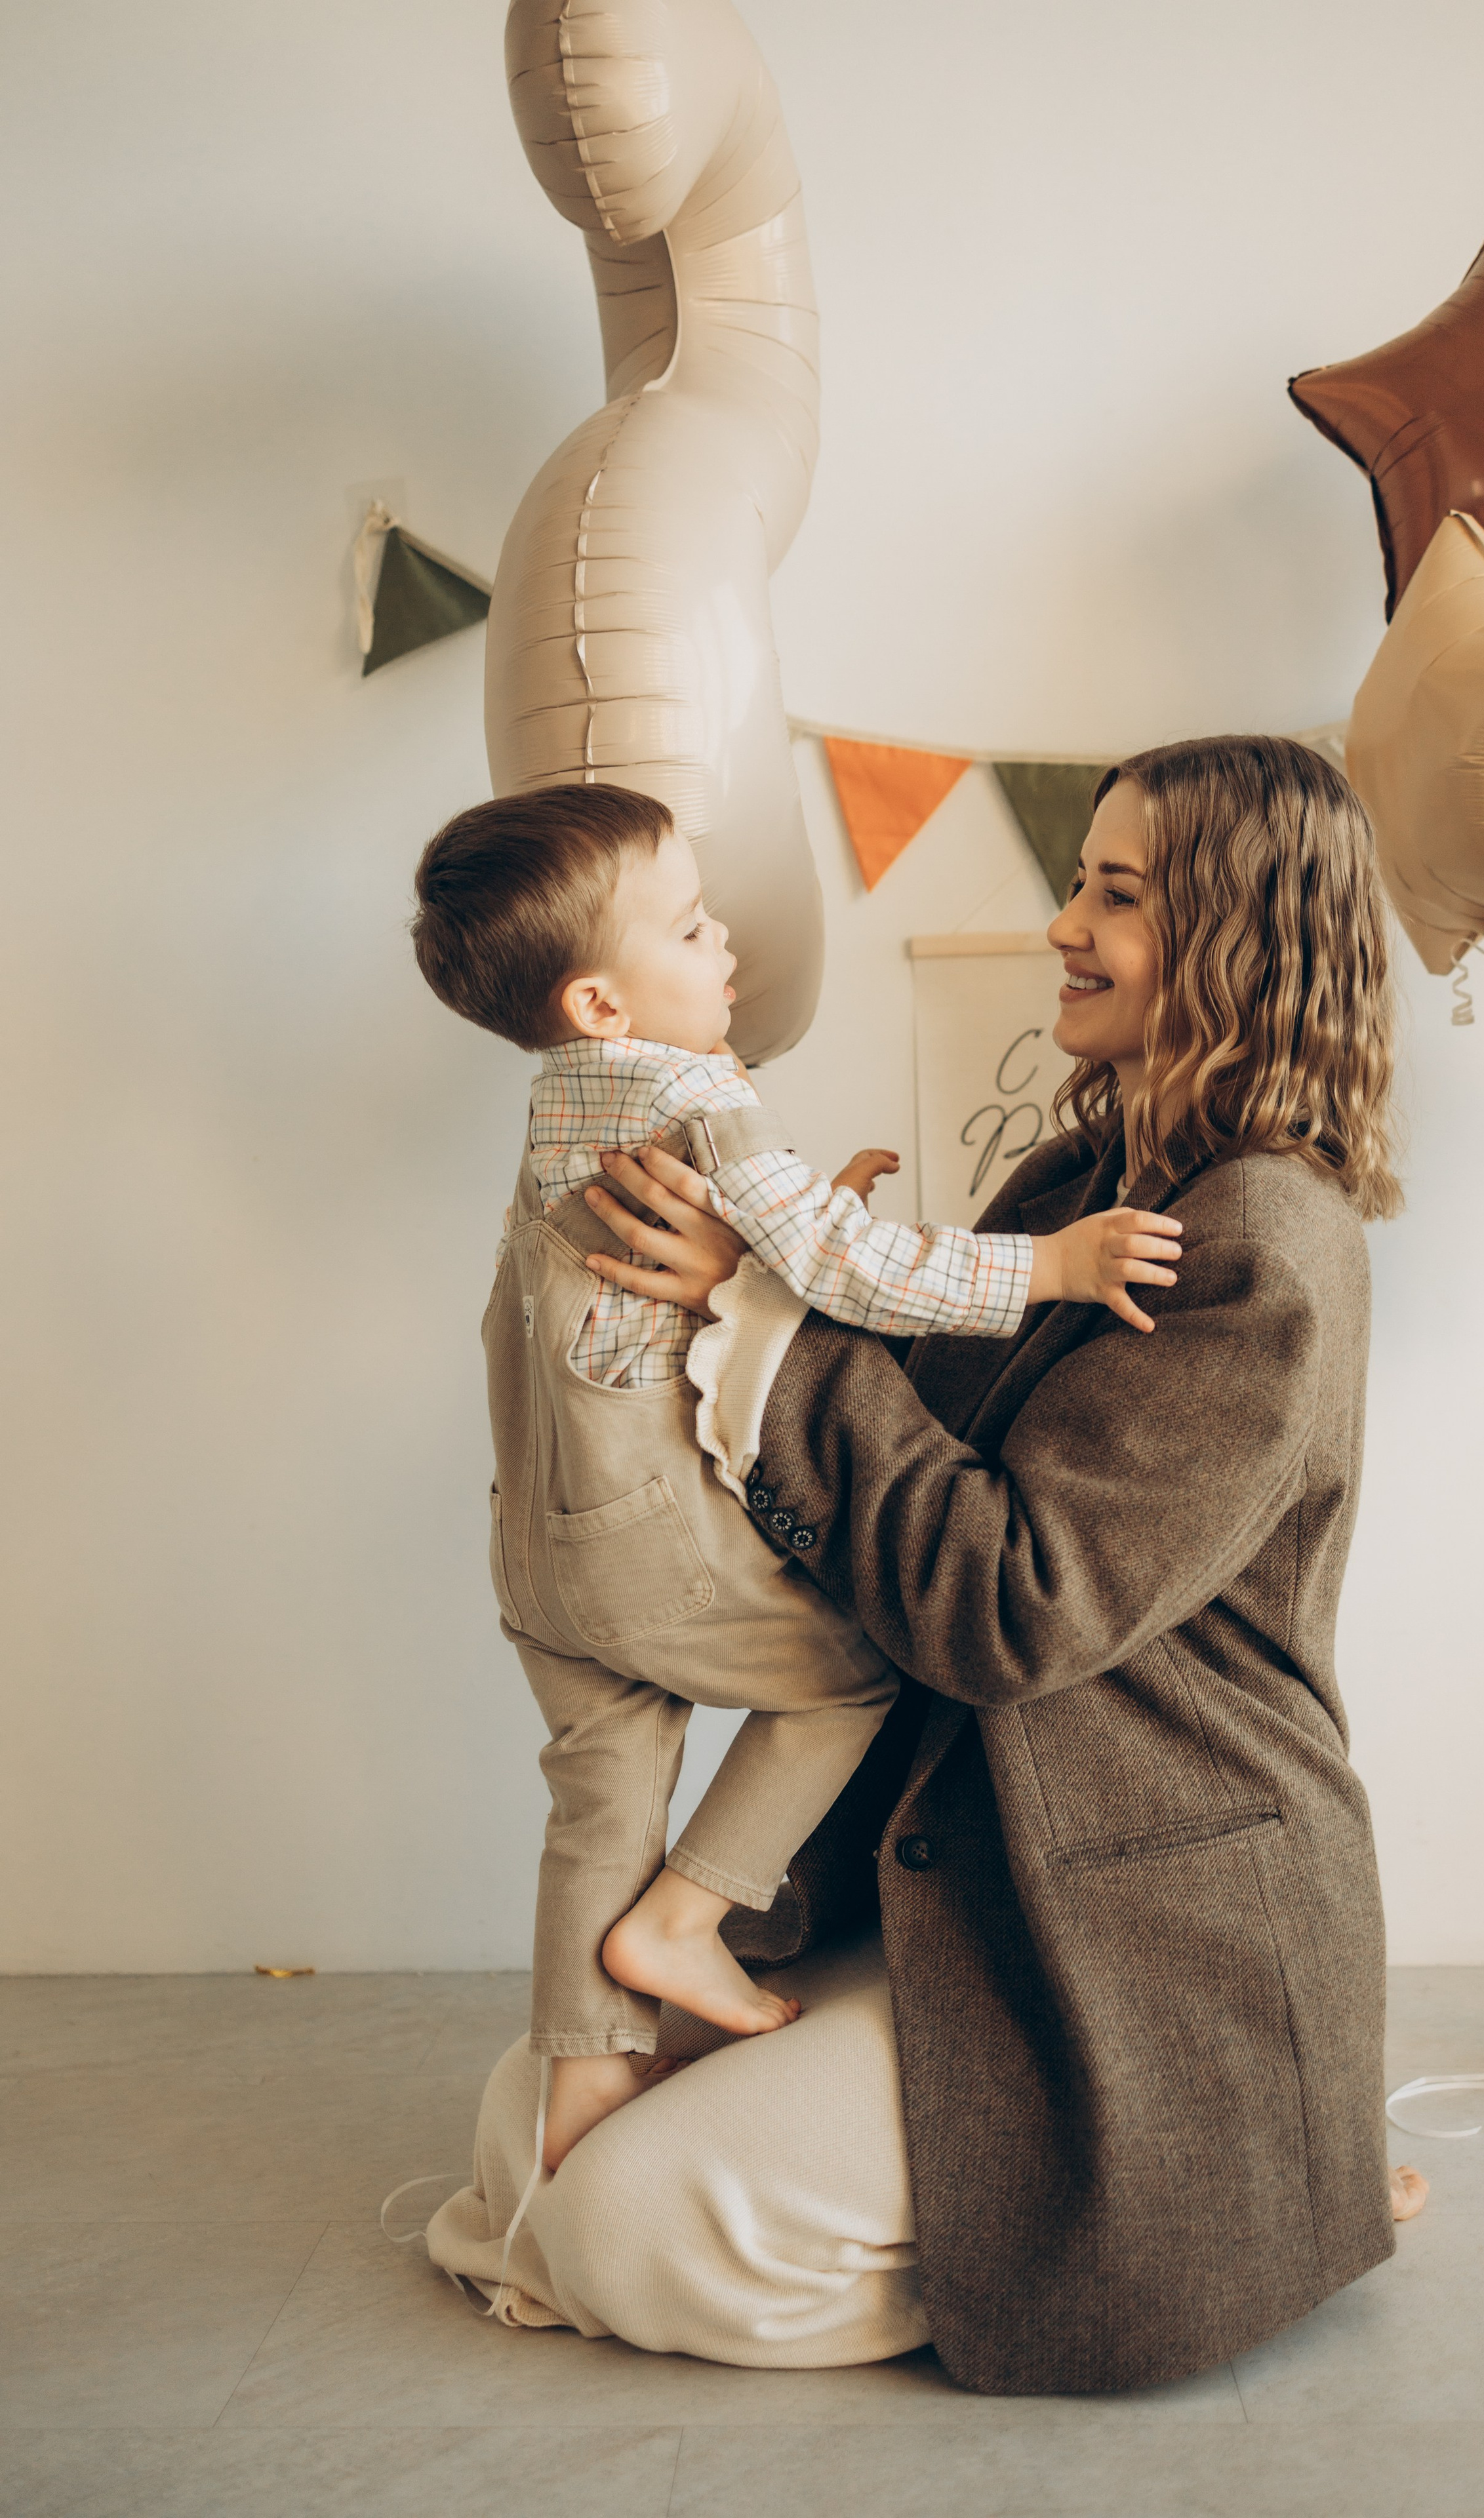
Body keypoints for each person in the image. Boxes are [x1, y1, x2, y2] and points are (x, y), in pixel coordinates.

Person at [429, 733, 1429, 2394]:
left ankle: (1225, 2207)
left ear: (1237, 939)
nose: (1061, 922)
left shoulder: (1264, 1246)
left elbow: (1007, 1600)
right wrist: (783, 1282)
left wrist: (749, 1311)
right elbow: (908, 1449)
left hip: (1130, 1894)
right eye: (1078, 878)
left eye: (1114, 892)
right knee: (530, 2125)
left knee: (618, 2228)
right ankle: (1238, 2185)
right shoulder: (1081, 1181)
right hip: (955, 1844)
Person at [409, 781, 1183, 2168]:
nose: (725, 952)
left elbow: (741, 1253)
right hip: (642, 1538)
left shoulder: (568, 1096)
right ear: (599, 1000)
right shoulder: (702, 1093)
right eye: (694, 930)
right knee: (855, 1671)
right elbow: (844, 1275)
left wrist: (809, 1203)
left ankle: (580, 2100)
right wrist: (1049, 1267)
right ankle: (685, 1914)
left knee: (599, 1787)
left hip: (534, 1541)